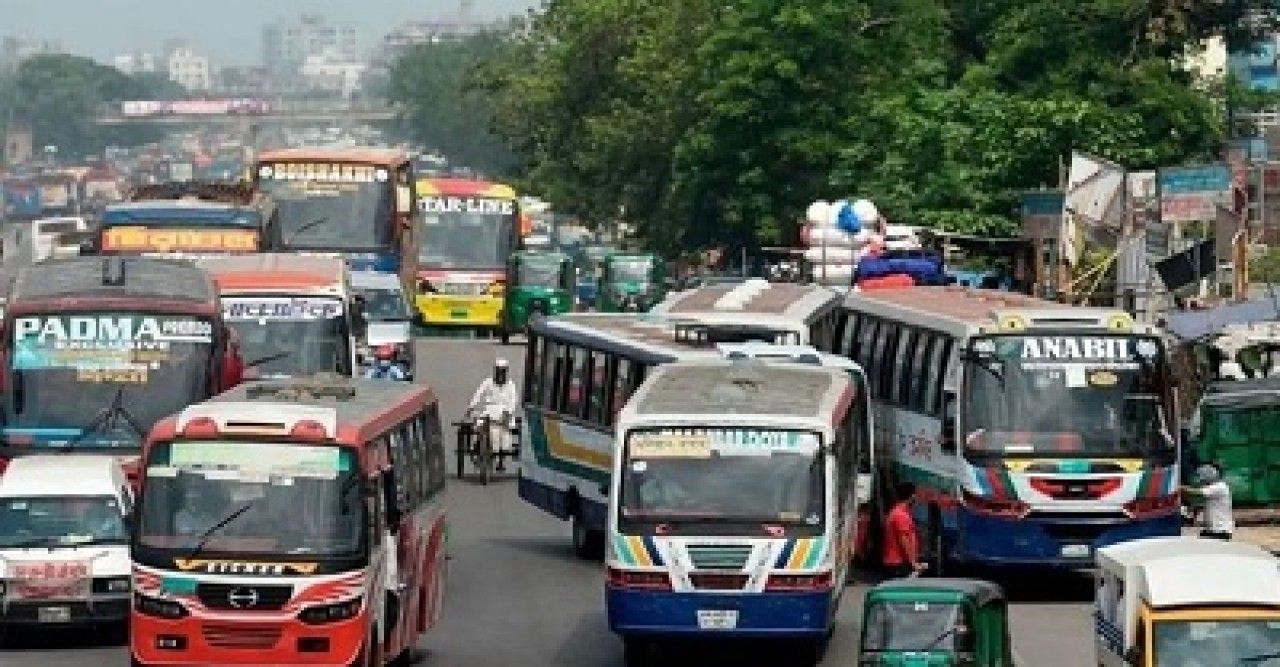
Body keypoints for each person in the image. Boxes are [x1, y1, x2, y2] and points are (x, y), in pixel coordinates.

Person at [467, 358, 520, 469]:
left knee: (505, 435)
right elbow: (478, 394)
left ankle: (501, 459)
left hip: (505, 412)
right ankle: (479, 445)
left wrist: (508, 412)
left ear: (506, 372)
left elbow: (514, 400)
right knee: (480, 425)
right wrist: (471, 407)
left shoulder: (511, 384)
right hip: (490, 410)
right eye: (498, 371)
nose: (500, 374)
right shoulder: (488, 382)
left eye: (502, 371)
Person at [882, 482, 927, 577]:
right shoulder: (901, 515)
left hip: (898, 562)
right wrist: (913, 563)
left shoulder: (898, 512)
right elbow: (905, 540)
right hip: (899, 563)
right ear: (912, 496)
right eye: (915, 494)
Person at [1183, 464, 1233, 540]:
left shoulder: (1219, 486)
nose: (1202, 481)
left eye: (1203, 479)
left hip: (1220, 530)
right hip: (1212, 529)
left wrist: (1180, 487)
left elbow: (1197, 492)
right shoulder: (1213, 488)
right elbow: (1202, 502)